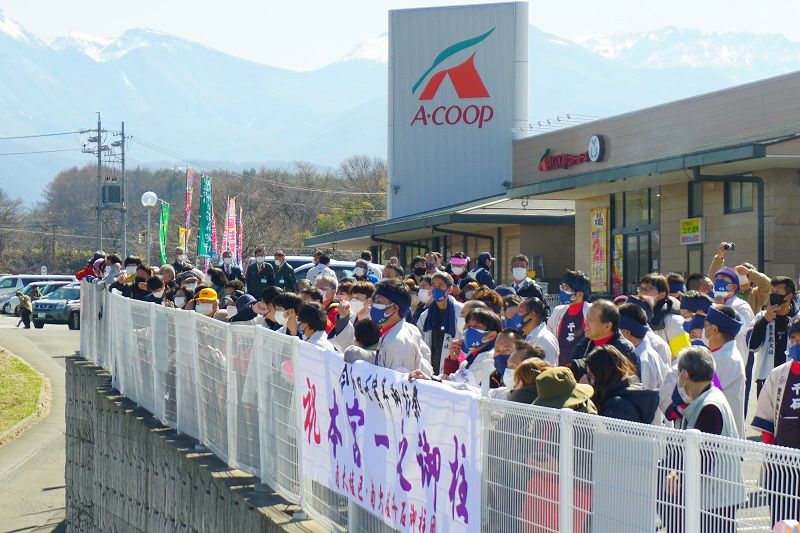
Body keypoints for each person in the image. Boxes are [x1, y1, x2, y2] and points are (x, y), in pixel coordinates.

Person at [660, 346, 745, 533]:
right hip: (714, 497)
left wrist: (678, 476)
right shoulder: (706, 398)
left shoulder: (709, 406)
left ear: (684, 375)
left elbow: (704, 457)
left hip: (714, 500)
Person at [752, 318, 800, 526]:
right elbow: (766, 416)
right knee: (782, 517)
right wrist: (771, 452)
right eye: (793, 339)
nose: (796, 344)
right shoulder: (778, 374)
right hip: (781, 461)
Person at [748, 276, 800, 406]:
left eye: (777, 292)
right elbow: (752, 346)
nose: (773, 295)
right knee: (766, 422)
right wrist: (765, 321)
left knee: (790, 421)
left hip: (793, 379)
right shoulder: (762, 316)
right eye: (772, 292)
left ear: (788, 296)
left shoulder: (797, 318)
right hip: (766, 378)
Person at [702, 304, 746, 437]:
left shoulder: (724, 359)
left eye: (705, 326)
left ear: (714, 330)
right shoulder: (723, 354)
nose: (703, 329)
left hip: (722, 437)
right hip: (721, 432)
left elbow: (704, 393)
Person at [584, 345, 659, 423]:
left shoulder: (617, 406)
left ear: (602, 374)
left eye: (590, 377)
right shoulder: (621, 396)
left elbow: (598, 432)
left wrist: (586, 397)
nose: (586, 378)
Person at [372, 278, 432, 373]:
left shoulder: (400, 341)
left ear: (395, 308)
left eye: (379, 302)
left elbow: (399, 385)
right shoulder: (399, 330)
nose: (374, 306)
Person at [569, 299, 640, 380]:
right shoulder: (582, 345)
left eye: (590, 319)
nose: (586, 322)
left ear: (607, 326)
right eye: (586, 317)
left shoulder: (624, 350)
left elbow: (632, 384)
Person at [441, 307, 502, 387]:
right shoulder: (468, 360)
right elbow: (450, 379)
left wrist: (432, 380)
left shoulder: (490, 358)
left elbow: (458, 386)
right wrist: (453, 360)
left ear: (491, 336)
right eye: (468, 326)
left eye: (476, 327)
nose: (470, 330)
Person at [417, 272, 464, 375]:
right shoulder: (425, 315)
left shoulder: (461, 312)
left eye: (440, 285)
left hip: (453, 367)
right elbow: (419, 341)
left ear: (450, 289)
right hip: (431, 366)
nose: (436, 289)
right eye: (433, 285)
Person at [708, 241, 771, 314]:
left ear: (751, 279)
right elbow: (714, 277)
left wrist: (749, 272)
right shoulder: (728, 289)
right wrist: (719, 257)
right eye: (738, 273)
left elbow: (767, 284)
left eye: (744, 274)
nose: (740, 276)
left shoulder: (756, 295)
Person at [638, 272, 691, 358]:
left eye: (648, 289)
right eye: (641, 289)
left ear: (662, 294)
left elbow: (684, 356)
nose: (643, 293)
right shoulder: (638, 318)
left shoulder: (673, 321)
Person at [547, 270, 591, 365]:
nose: (562, 291)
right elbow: (549, 334)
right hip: (560, 366)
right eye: (562, 287)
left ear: (579, 294)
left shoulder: (590, 312)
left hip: (582, 368)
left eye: (566, 288)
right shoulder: (558, 311)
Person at [711, 266, 754, 358]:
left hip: (735, 360)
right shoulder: (711, 305)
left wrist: (721, 308)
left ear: (734, 286)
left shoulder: (741, 306)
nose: (718, 282)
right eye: (716, 279)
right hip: (715, 359)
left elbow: (738, 328)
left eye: (722, 279)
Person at [509, 296, 559, 365]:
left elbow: (547, 369)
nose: (515, 315)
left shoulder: (544, 339)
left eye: (519, 311)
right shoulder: (527, 336)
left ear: (531, 315)